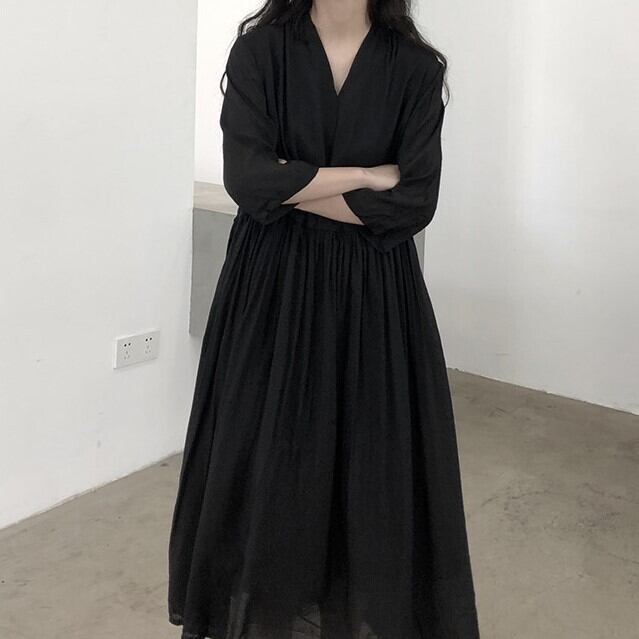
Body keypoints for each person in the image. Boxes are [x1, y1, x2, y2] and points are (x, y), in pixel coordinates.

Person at [168, 1, 481, 637]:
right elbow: (247, 180)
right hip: (270, 287)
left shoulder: (415, 68)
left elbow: (413, 202)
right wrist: (363, 174)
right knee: (264, 453)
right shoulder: (261, 52)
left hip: (374, 293)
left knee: (369, 460)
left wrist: (293, 184)